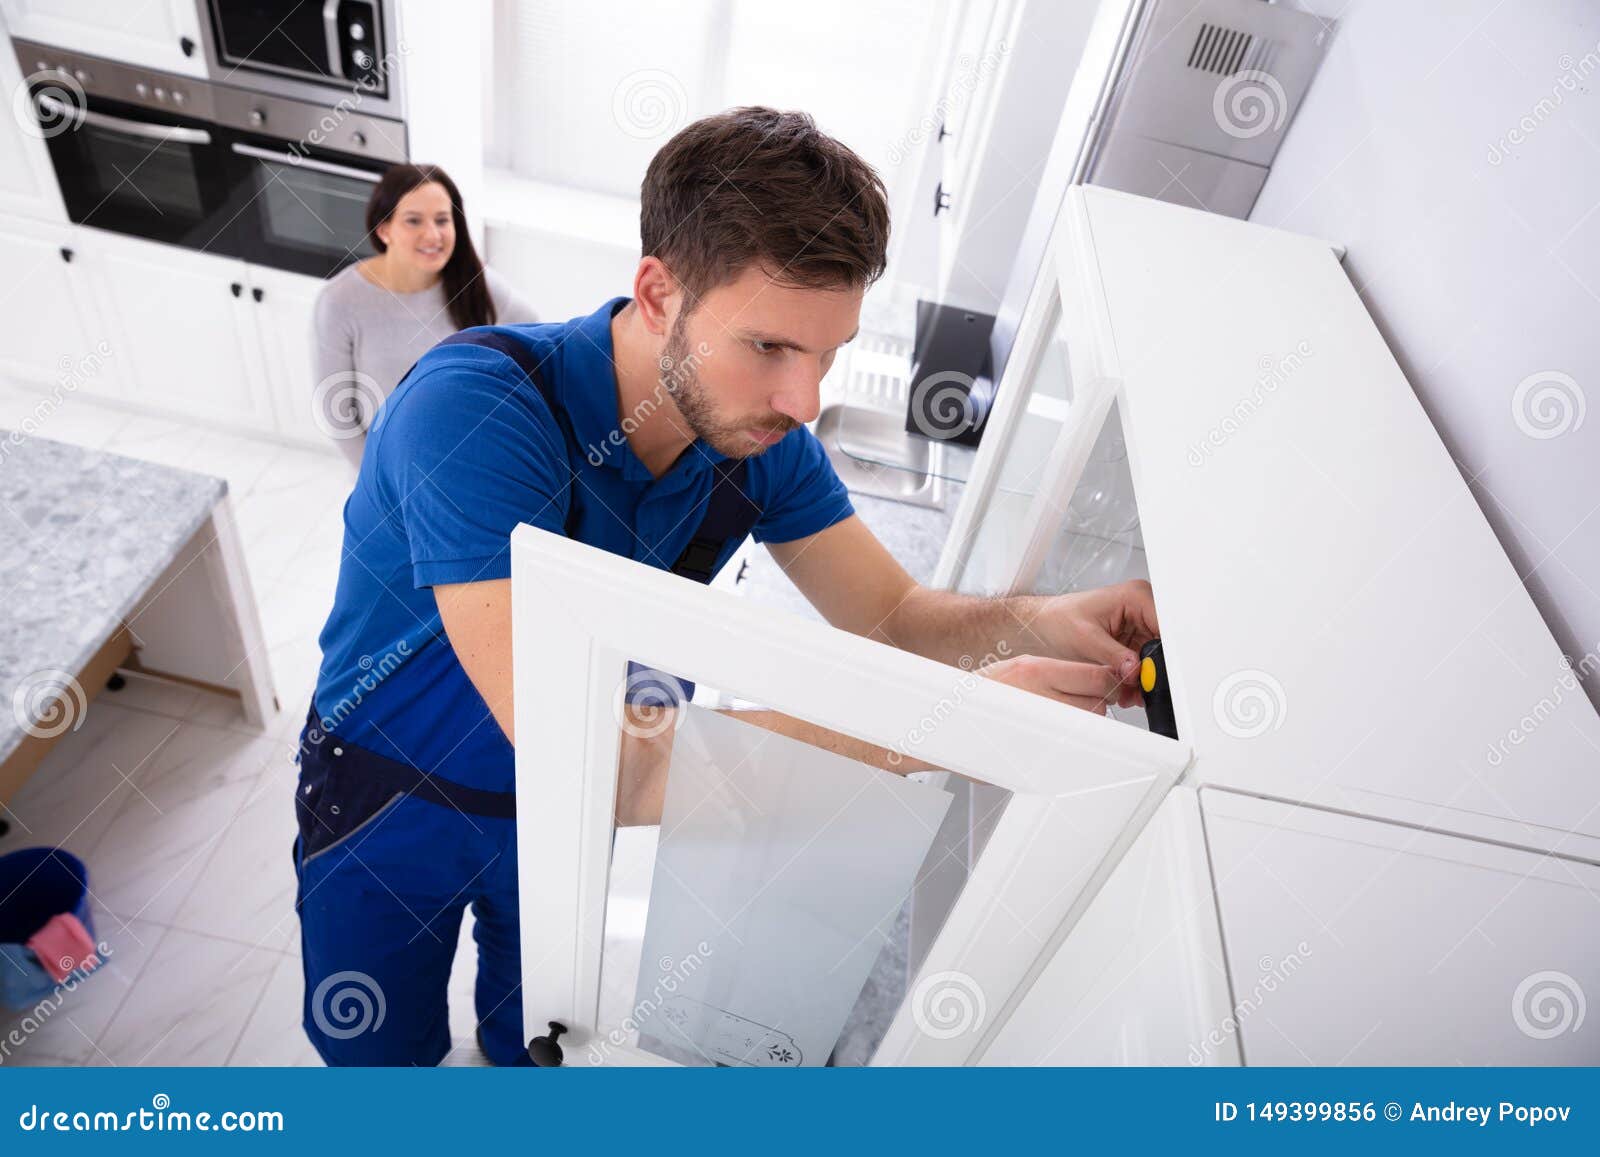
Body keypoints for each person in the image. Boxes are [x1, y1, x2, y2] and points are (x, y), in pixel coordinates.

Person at [294, 108, 1158, 1067]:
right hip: (393, 800)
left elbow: (895, 618)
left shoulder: (758, 445)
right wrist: (951, 724)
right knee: (377, 1066)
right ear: (658, 293)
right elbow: (602, 755)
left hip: (560, 825)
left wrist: (1044, 623)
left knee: (527, 1045)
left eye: (826, 353)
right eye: (772, 348)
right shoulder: (479, 409)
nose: (806, 400)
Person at [310, 163, 537, 467]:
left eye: (443, 220)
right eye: (413, 221)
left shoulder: (474, 282)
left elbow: (540, 343)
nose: (432, 235)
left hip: (466, 462)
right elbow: (334, 411)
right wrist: (379, 480)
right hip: (387, 470)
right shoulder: (339, 301)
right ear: (384, 229)